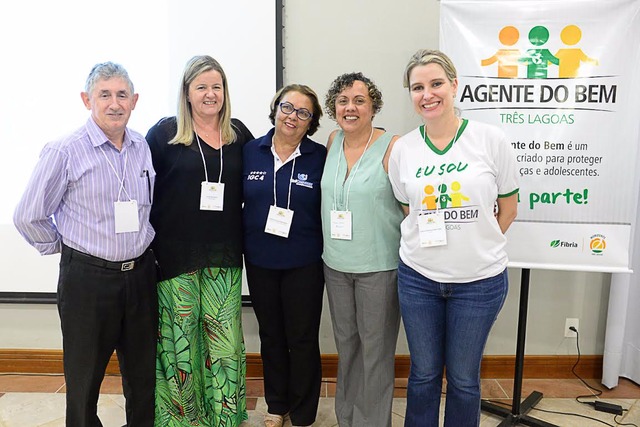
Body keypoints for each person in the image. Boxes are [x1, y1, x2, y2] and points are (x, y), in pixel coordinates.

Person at [13, 62, 157, 426]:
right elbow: (28, 215)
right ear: (86, 99)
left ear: (134, 100)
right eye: (104, 94)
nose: (114, 103)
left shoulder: (142, 146)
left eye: (122, 95)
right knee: (84, 379)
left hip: (140, 277)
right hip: (88, 282)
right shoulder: (65, 150)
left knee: (143, 378)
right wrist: (67, 249)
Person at [388, 49, 519, 427]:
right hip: (419, 280)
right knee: (424, 375)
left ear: (455, 85)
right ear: (410, 95)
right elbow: (407, 208)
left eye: (436, 84)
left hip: (479, 283)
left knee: (463, 379)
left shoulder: (490, 140)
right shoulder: (404, 149)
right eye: (417, 87)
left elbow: (508, 209)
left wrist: (474, 244)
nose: (427, 94)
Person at [146, 55, 254, 426]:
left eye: (217, 87)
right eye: (202, 87)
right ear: (187, 92)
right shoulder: (164, 135)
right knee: (181, 349)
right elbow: (141, 191)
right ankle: (184, 421)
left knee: (224, 347)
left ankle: (225, 419)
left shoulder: (238, 135)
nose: (211, 94)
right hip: (174, 257)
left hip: (224, 255)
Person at [320, 72, 403, 427]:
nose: (349, 108)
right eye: (342, 101)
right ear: (333, 108)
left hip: (378, 267)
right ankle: (347, 418)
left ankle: (372, 423)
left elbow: (409, 209)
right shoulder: (332, 140)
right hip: (335, 265)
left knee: (376, 353)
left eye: (359, 101)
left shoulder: (392, 146)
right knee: (348, 348)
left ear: (373, 107)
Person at [243, 84, 326, 427]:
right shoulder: (249, 151)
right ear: (275, 108)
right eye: (287, 107)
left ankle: (304, 412)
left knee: (302, 338)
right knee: (271, 335)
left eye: (303, 113)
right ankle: (277, 405)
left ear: (311, 122)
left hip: (304, 262)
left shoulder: (320, 156)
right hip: (260, 260)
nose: (293, 116)